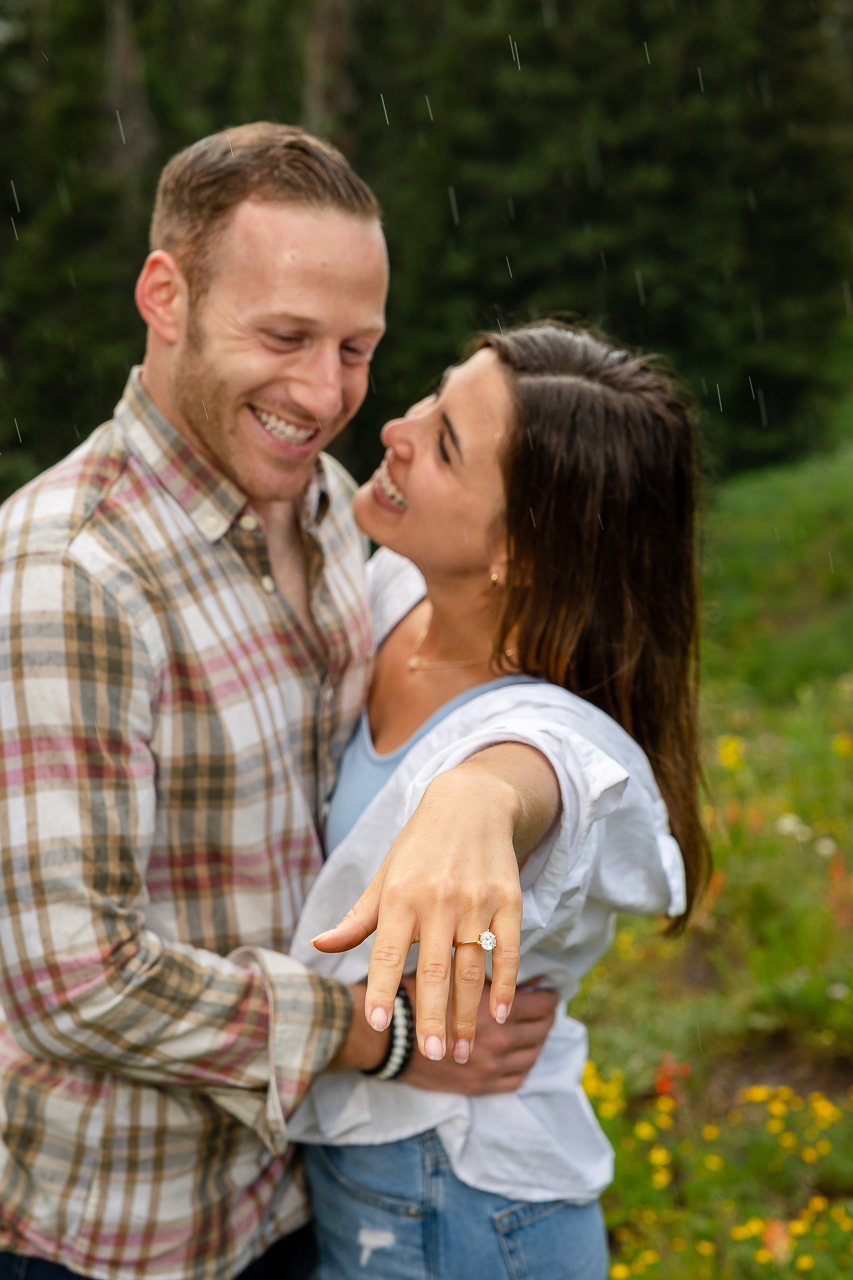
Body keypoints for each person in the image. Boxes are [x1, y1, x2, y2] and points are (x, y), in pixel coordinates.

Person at [0, 125, 565, 1280]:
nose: (323, 393)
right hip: (121, 1230)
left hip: (293, 1190)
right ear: (166, 295)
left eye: (357, 348)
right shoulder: (69, 571)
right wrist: (381, 1034)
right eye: (285, 337)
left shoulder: (329, 503)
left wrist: (494, 786)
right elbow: (75, 982)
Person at [290, 323, 712, 1279]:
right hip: (372, 1175)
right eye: (435, 400)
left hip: (460, 1204)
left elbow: (544, 771)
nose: (397, 427)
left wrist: (473, 804)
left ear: (518, 550)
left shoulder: (546, 726)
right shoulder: (403, 585)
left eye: (444, 446)